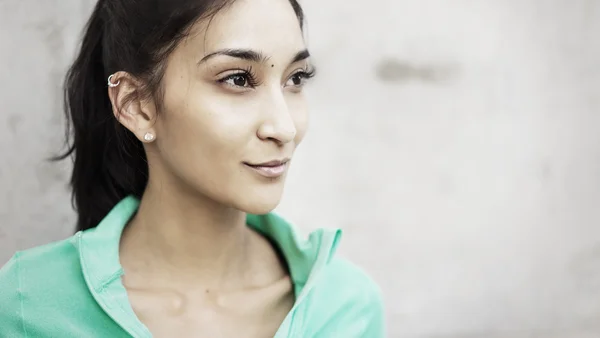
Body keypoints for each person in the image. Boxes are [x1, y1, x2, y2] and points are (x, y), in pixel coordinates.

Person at [0, 0, 385, 336]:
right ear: (136, 104)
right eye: (238, 79)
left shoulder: (346, 307)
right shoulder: (27, 303)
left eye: (295, 78)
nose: (284, 127)